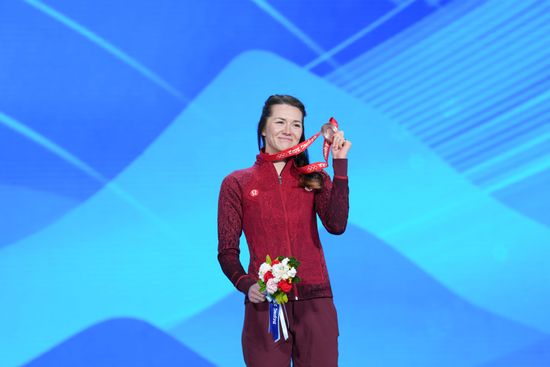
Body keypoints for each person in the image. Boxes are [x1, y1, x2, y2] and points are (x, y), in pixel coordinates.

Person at [217, 94, 351, 367]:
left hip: (316, 301)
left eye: (296, 125)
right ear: (263, 128)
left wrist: (339, 164)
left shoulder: (314, 178)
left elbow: (336, 225)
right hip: (267, 304)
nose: (288, 131)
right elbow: (227, 251)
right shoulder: (237, 183)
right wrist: (246, 284)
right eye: (280, 122)